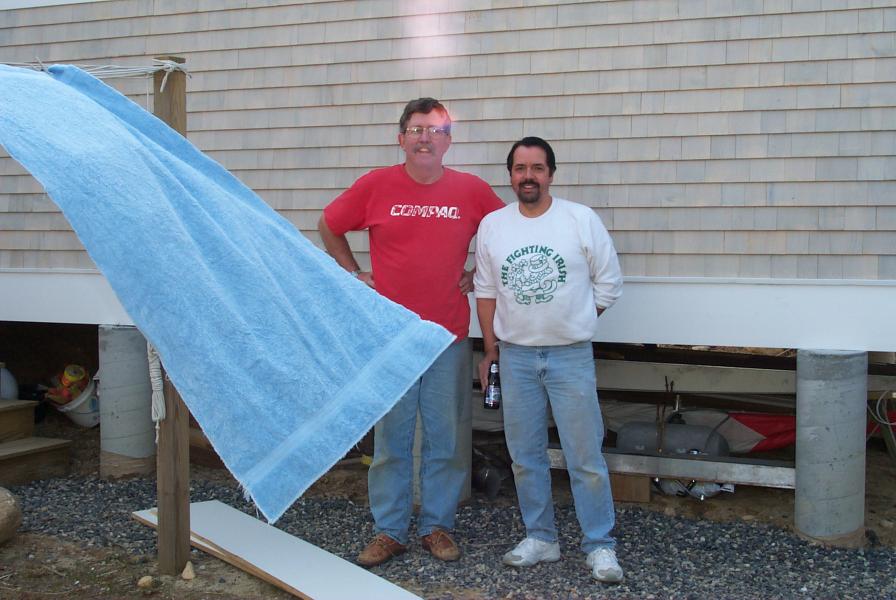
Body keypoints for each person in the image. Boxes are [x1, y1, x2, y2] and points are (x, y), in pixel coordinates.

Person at [319, 98, 505, 567]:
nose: (426, 138)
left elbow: (505, 234)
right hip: (392, 336)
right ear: (401, 138)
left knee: (445, 439)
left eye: (436, 130)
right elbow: (330, 224)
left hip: (446, 335)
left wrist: (477, 271)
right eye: (418, 129)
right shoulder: (376, 185)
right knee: (391, 441)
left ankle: (437, 526)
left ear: (448, 141)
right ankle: (390, 531)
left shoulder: (471, 190)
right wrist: (354, 274)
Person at [473, 136, 624, 583]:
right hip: (515, 356)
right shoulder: (494, 225)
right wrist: (490, 349)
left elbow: (609, 283)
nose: (529, 176)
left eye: (537, 168)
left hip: (570, 356)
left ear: (551, 174)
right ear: (510, 175)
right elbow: (486, 291)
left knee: (585, 456)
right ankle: (541, 537)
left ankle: (600, 544)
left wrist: (576, 320)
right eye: (520, 168)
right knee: (524, 456)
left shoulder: (580, 219)